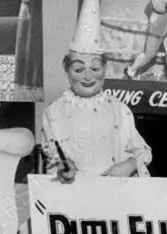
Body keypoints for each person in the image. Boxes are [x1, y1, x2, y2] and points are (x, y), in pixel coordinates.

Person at [40, 0, 152, 183]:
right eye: (79, 69)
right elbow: (53, 156)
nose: (88, 77)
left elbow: (143, 152)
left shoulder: (120, 110)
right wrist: (63, 167)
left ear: (105, 69)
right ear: (66, 70)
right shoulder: (54, 111)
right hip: (74, 194)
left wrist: (130, 165)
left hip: (117, 194)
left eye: (95, 68)